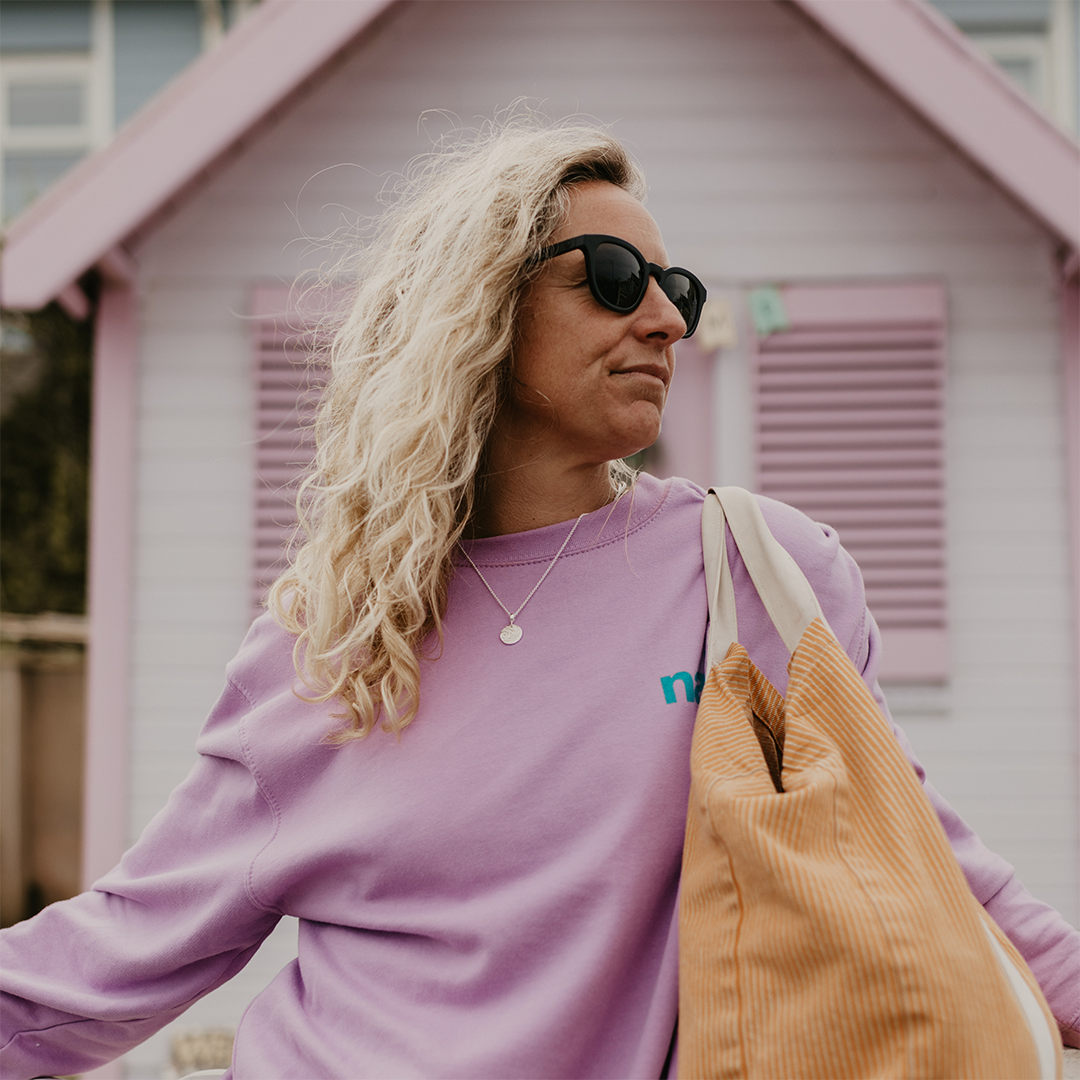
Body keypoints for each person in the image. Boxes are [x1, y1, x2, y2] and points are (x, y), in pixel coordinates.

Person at [1, 119, 1080, 1080]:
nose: (664, 319)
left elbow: (932, 864)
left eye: (680, 291)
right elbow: (115, 956)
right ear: (477, 306)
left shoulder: (753, 575)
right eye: (612, 276)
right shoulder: (327, 640)